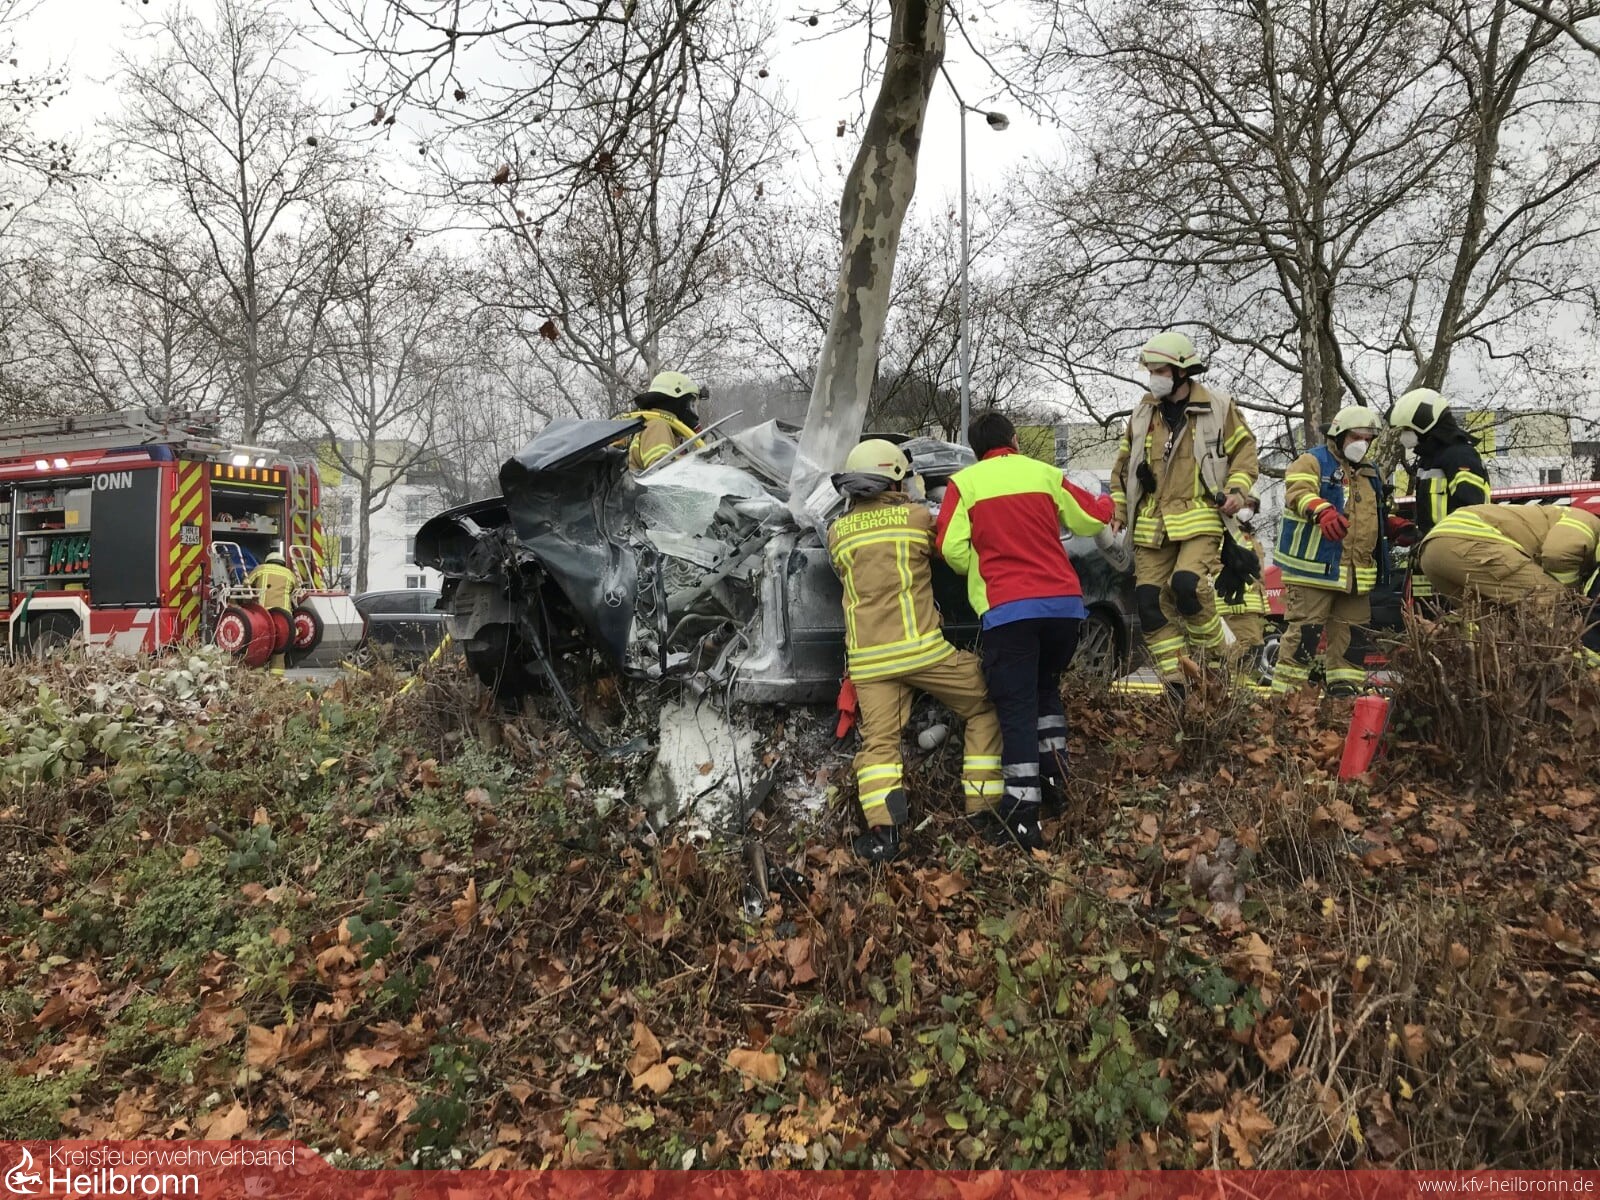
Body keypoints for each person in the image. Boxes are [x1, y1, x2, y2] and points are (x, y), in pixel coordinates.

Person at [935, 411, 1113, 851]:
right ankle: (1056, 779)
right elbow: (1091, 518)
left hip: (1010, 611)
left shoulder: (965, 484)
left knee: (1016, 709)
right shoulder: (1045, 473)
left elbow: (949, 548)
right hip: (1064, 608)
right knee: (1045, 690)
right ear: (1014, 440)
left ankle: (1022, 818)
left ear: (975, 450)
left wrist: (983, 566)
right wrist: (1112, 505)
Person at [827, 439, 1004, 863]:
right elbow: (950, 546)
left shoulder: (837, 533)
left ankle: (884, 835)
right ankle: (982, 810)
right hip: (922, 652)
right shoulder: (917, 518)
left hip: (869, 663)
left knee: (880, 746)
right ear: (895, 479)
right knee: (986, 704)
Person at [1110, 332, 1259, 696]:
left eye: (1160, 371)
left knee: (1186, 587)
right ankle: (1178, 682)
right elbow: (1123, 467)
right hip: (1152, 525)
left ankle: (1219, 662)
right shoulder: (1143, 413)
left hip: (1199, 518)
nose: (1153, 378)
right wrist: (1119, 509)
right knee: (1149, 603)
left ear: (1181, 372)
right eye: (1150, 371)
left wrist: (1237, 492)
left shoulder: (1218, 407)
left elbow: (1244, 453)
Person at [1270, 407, 1396, 697]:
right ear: (1338, 435)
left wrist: (1391, 525)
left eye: (1367, 439)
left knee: (1353, 644)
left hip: (1356, 577)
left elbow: (1370, 514)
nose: (1362, 444)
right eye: (1356, 437)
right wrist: (1322, 511)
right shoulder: (1313, 461)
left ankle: (1344, 701)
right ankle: (1285, 705)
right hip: (1314, 572)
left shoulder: (1370, 472)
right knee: (1304, 639)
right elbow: (1298, 492)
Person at [1389, 388, 1490, 609]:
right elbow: (1434, 512)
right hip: (1431, 560)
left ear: (1424, 423)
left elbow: (1471, 510)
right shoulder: (1429, 459)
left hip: (1455, 560)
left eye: (1407, 429)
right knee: (1425, 615)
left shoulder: (1460, 456)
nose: (1404, 434)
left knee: (1456, 618)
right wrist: (1415, 532)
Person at [1215, 503, 1270, 683]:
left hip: (1252, 605)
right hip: (1236, 603)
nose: (1248, 510)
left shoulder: (1249, 535)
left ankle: (1238, 688)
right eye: (1246, 504)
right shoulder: (1224, 533)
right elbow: (1217, 568)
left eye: (1252, 506)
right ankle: (1232, 687)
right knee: (1249, 647)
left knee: (1252, 650)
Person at [623, 371, 703, 472]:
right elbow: (662, 474)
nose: (695, 413)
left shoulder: (667, 432)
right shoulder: (657, 427)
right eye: (692, 405)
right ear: (678, 404)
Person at [246, 550, 299, 675]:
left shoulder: (260, 569)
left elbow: (245, 585)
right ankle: (276, 680)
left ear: (267, 561)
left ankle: (258, 678)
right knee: (279, 650)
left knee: (260, 647)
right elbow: (297, 593)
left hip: (262, 617)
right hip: (283, 619)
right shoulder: (290, 574)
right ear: (283, 563)